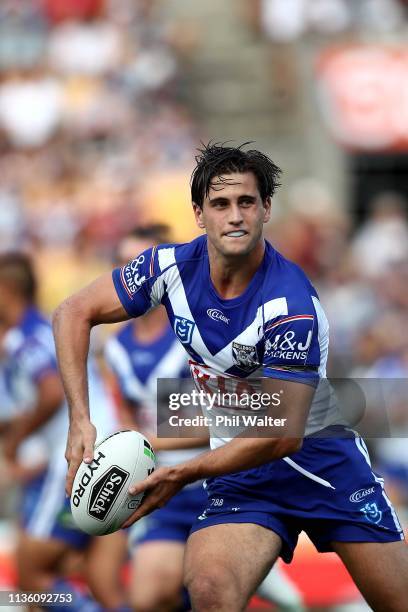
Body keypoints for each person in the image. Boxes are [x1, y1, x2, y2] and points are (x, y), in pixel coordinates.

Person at [53, 143, 408, 612]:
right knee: (209, 590)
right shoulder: (167, 268)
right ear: (199, 214)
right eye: (220, 204)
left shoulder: (289, 304)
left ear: (266, 209)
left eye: (246, 202)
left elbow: (281, 436)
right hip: (244, 478)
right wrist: (82, 419)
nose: (235, 216)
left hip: (325, 470)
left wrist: (181, 472)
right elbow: (72, 312)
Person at [107, 224, 304, 612]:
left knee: (210, 588)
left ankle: (255, 567)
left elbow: (237, 419)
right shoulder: (116, 348)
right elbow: (130, 420)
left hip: (216, 477)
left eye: (140, 262)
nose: (135, 275)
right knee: (148, 599)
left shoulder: (200, 332)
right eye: (122, 263)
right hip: (162, 484)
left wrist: (148, 439)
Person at [0, 252, 126, 611]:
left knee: (30, 578)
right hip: (104, 455)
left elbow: (52, 393)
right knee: (97, 579)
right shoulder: (40, 331)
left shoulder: (27, 338)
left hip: (77, 463)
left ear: (7, 290)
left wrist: (13, 442)